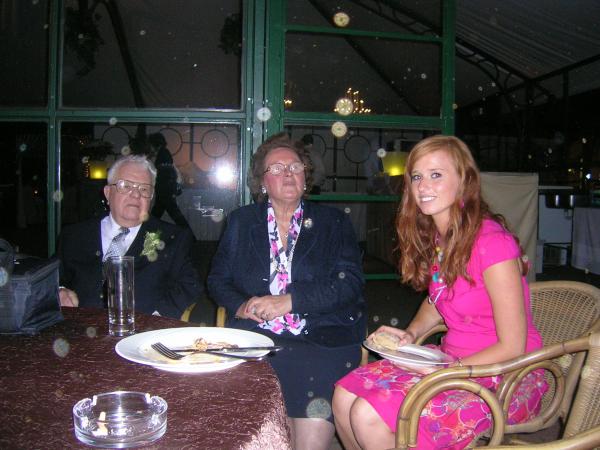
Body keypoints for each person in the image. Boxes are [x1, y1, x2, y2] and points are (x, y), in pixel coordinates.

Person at [333, 135, 547, 449]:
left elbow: (513, 345)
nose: (423, 186)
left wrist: (442, 371)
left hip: (505, 376)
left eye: (436, 175)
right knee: (344, 396)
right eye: (417, 176)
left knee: (367, 414)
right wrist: (411, 334)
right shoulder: (442, 238)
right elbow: (439, 298)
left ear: (464, 181)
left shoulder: (493, 243)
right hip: (453, 362)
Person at [207, 132, 366, 450]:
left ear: (306, 177)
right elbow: (217, 280)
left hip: (322, 339)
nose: (288, 173)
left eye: (295, 167)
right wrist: (241, 306)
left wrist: (291, 301)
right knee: (265, 434)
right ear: (262, 182)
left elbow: (349, 283)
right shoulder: (241, 222)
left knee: (308, 442)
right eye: (277, 169)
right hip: (258, 340)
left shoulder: (332, 222)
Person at [57, 154, 203, 319]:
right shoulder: (75, 236)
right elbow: (52, 279)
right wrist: (60, 291)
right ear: (108, 193)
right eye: (125, 186)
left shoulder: (172, 238)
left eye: (144, 189)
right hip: (82, 327)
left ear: (151, 197)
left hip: (141, 330)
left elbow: (190, 285)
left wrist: (156, 318)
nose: (136, 195)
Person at [147, 132, 190, 229]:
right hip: (166, 191)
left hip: (164, 190)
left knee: (164, 214)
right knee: (170, 214)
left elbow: (165, 173)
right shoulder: (164, 153)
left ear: (155, 144)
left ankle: (147, 231)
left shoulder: (162, 154)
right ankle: (188, 235)